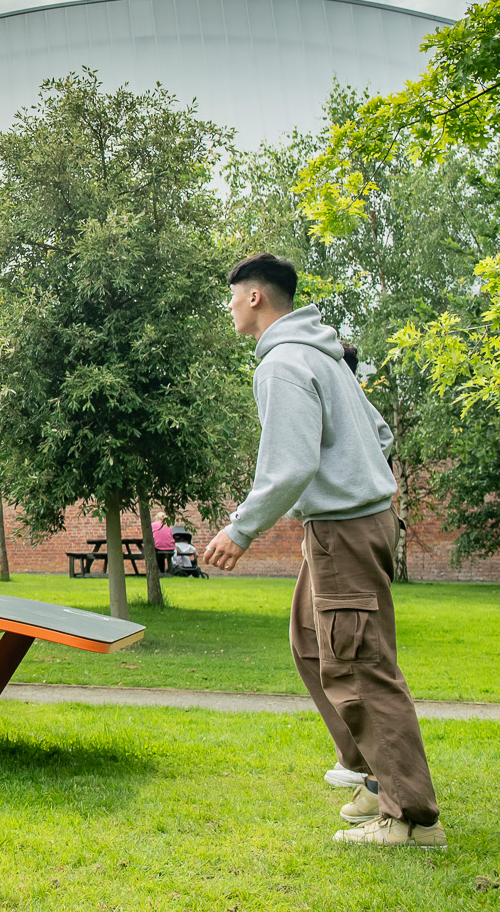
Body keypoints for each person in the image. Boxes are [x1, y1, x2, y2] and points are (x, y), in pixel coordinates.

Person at [203, 254, 444, 848]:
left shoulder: (284, 362)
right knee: (312, 641)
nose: (229, 307)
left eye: (232, 296)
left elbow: (290, 464)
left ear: (255, 297)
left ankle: (409, 817)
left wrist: (240, 528)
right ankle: (371, 774)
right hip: (348, 526)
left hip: (344, 530)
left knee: (359, 663)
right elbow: (381, 434)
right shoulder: (323, 355)